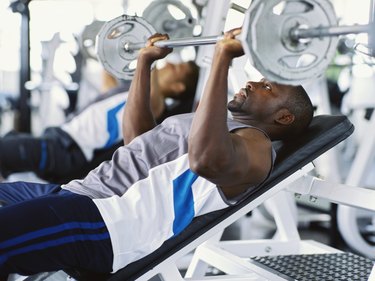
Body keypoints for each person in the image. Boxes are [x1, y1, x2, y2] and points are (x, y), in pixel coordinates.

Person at [0, 29, 314, 280]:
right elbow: (137, 139)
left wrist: (222, 58)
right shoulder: (219, 124)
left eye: (267, 88)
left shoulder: (257, 145)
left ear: (283, 118)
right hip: (77, 194)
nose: (252, 83)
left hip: (105, 222)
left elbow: (205, 160)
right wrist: (144, 63)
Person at [0, 61, 199, 183]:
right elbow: (108, 86)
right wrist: (111, 46)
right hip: (58, 138)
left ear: (178, 87)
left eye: (179, 68)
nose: (172, 64)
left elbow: (152, 102)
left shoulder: (155, 107)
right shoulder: (131, 93)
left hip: (67, 151)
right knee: (9, 145)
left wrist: (151, 60)